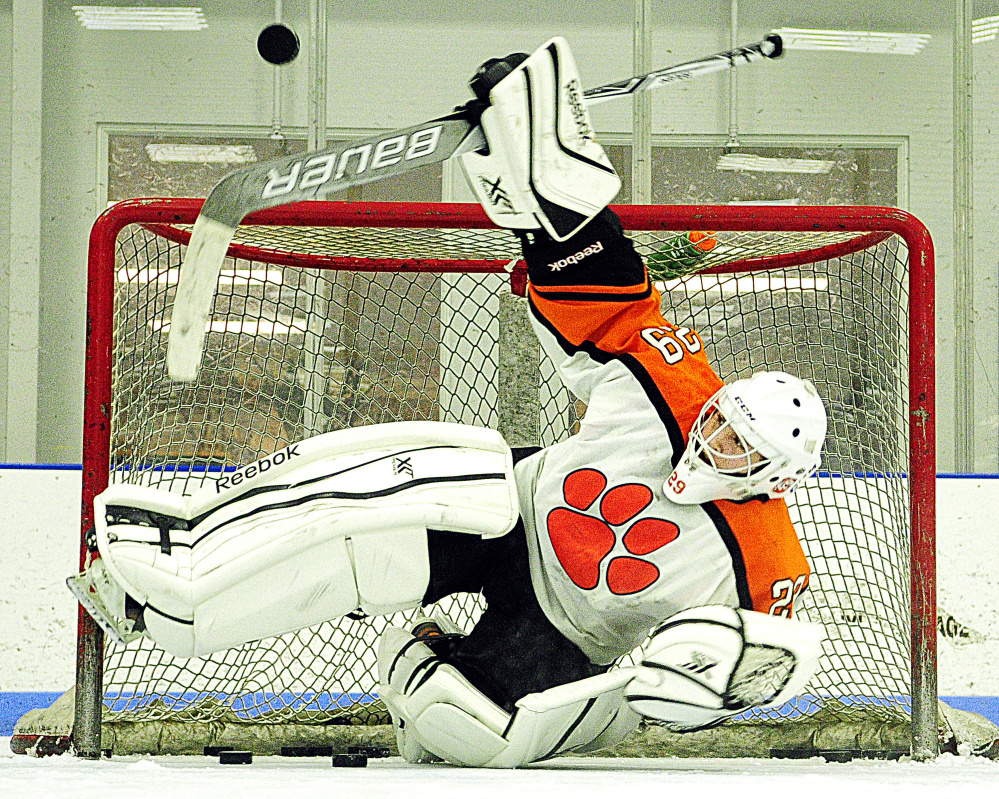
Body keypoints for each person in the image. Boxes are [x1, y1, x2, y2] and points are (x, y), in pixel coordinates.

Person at [69, 37, 826, 768]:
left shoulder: (767, 557)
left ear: (774, 475)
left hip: (567, 627)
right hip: (513, 513)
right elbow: (609, 307)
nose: (715, 434)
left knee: (466, 730)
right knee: (359, 542)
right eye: (724, 416)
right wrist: (554, 199)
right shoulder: (673, 387)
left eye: (738, 443)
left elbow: (765, 657)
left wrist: (702, 676)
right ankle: (170, 584)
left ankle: (428, 652)